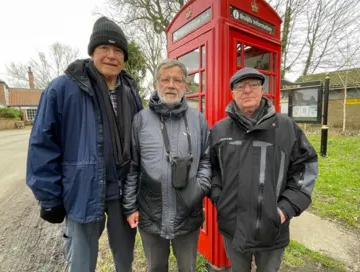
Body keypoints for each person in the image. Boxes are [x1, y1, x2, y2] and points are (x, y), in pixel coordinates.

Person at [26, 16, 143, 272]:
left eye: (118, 50)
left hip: (123, 192)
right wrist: (49, 197)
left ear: (124, 57)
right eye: (104, 48)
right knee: (81, 263)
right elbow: (42, 144)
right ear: (92, 52)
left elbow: (140, 140)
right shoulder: (62, 88)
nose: (111, 56)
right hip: (82, 191)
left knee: (125, 261)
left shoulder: (131, 91)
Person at [208, 67, 319, 272]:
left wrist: (285, 209)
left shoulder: (287, 128)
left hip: (273, 229)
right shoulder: (219, 130)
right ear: (232, 93)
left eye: (253, 85)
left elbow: (305, 169)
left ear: (262, 90)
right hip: (233, 226)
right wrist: (218, 196)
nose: (247, 90)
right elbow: (210, 168)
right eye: (240, 86)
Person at [122, 59, 211, 272]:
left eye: (177, 80)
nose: (171, 85)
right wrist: (130, 206)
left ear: (185, 86)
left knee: (187, 268)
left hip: (188, 214)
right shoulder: (140, 120)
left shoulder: (198, 120)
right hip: (150, 214)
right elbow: (133, 166)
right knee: (155, 268)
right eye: (165, 79)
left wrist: (199, 188)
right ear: (156, 84)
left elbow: (207, 159)